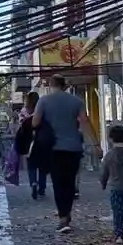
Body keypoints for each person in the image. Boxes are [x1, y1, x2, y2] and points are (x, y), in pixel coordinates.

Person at [32, 74, 88, 233]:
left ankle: (63, 218)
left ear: (50, 85)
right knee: (70, 182)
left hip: (53, 148)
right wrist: (95, 144)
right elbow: (84, 121)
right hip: (73, 147)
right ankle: (67, 212)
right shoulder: (76, 101)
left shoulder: (43, 101)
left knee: (58, 183)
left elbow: (35, 122)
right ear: (64, 85)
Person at [16, 91, 47, 199]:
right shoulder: (42, 111)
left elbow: (21, 128)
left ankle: (33, 183)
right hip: (42, 142)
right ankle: (42, 188)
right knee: (43, 166)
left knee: (31, 166)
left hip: (29, 144)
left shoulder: (24, 112)